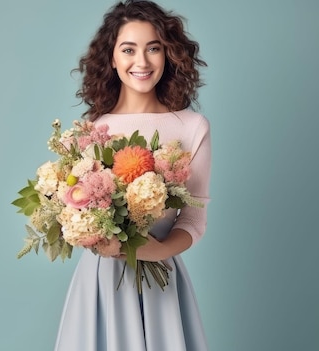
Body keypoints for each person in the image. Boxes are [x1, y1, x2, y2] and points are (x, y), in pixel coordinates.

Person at [54, 1, 211, 350]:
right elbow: (72, 207)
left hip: (161, 282)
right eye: (128, 49)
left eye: (153, 48)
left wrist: (157, 252)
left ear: (168, 55)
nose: (141, 62)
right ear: (112, 58)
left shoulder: (191, 127)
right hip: (100, 282)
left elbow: (194, 221)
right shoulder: (93, 130)